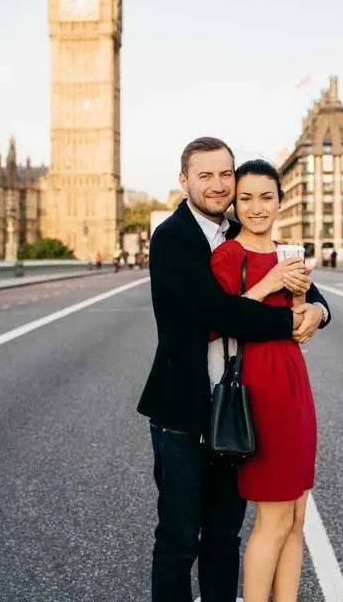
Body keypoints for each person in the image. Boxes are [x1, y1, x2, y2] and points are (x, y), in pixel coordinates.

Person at [137, 137, 330, 602]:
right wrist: (289, 321)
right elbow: (215, 313)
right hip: (184, 410)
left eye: (226, 174)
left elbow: (304, 282)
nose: (218, 184)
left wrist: (319, 311)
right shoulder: (172, 237)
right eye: (205, 175)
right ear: (184, 181)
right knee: (180, 539)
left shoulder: (235, 232)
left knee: (223, 534)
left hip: (234, 406)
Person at [210, 159, 325, 601]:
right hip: (260, 387)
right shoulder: (227, 255)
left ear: (281, 200)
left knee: (296, 514)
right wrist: (271, 281)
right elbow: (217, 321)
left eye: (266, 197)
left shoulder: (286, 251)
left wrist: (311, 307)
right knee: (272, 517)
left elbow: (300, 319)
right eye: (246, 198)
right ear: (235, 204)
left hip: (295, 380)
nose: (257, 208)